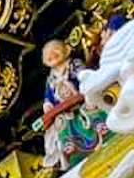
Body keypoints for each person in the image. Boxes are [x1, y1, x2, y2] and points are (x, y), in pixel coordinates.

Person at [40, 39, 108, 171]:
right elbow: (48, 95)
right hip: (65, 110)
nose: (52, 54)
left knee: (91, 105)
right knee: (61, 123)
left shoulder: (74, 64)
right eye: (47, 54)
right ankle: (69, 146)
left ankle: (100, 125)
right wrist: (48, 104)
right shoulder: (50, 79)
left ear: (67, 50)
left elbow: (83, 76)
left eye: (55, 50)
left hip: (81, 99)